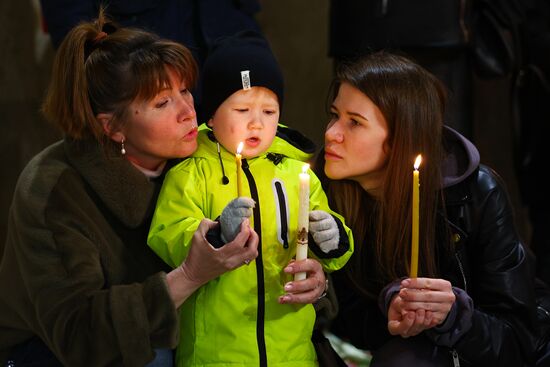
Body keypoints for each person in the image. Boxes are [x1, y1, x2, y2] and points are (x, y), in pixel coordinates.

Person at [0, 12, 326, 367]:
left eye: (185, 90)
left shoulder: (207, 154)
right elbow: (78, 336)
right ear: (113, 128)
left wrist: (317, 284)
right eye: (161, 103)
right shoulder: (53, 189)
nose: (188, 111)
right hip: (51, 352)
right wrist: (190, 274)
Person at [314, 51, 541, 366]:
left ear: (399, 138)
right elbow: (351, 323)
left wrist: (455, 316)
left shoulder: (474, 193)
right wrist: (390, 311)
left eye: (354, 123)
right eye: (334, 114)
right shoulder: (320, 190)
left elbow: (518, 337)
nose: (331, 133)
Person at [147, 30, 354, 367]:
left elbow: (326, 249)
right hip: (216, 353)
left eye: (270, 112)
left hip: (291, 350)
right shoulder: (191, 173)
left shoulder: (294, 172)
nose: (257, 123)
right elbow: (169, 234)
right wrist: (216, 235)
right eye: (242, 109)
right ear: (212, 116)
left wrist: (332, 238)